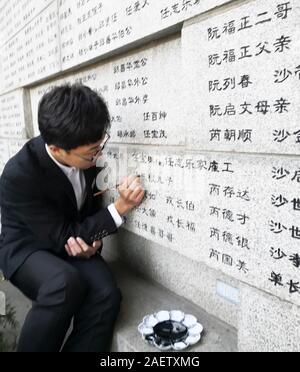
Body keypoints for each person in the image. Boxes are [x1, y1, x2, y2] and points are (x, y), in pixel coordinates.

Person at [0, 84, 145, 352]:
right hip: (28, 248)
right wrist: (121, 208)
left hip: (73, 239)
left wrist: (94, 242)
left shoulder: (86, 158)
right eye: (92, 151)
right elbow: (63, 235)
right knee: (63, 284)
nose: (99, 154)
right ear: (56, 149)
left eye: (101, 144)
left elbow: (83, 222)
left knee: (106, 294)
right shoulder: (19, 175)